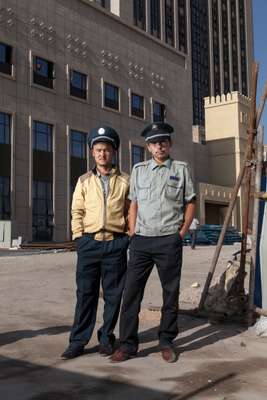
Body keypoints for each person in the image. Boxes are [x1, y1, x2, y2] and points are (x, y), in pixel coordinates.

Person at [111, 122, 196, 363]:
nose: (160, 146)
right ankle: (127, 345)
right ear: (148, 147)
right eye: (155, 142)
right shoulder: (139, 170)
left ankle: (167, 341)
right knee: (131, 294)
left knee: (170, 293)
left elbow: (191, 201)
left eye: (164, 141)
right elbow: (133, 203)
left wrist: (181, 233)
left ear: (170, 144)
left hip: (169, 239)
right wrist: (132, 231)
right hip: (142, 241)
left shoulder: (181, 169)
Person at [61, 126, 130, 360]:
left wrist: (128, 236)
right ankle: (78, 341)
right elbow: (76, 211)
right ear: (92, 153)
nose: (102, 154)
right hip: (89, 244)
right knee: (86, 294)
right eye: (98, 150)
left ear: (113, 152)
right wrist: (79, 238)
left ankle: (106, 338)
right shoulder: (84, 181)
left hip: (115, 244)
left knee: (113, 295)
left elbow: (131, 211)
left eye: (107, 150)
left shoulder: (125, 181)